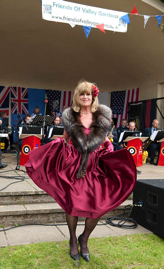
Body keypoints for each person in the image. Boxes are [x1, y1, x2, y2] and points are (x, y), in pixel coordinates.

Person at [25, 81, 136, 263]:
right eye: (82, 94)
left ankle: (84, 238)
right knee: (72, 205)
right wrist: (54, 150)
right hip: (74, 165)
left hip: (94, 165)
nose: (85, 97)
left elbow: (105, 138)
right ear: (78, 96)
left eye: (88, 94)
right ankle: (72, 240)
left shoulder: (100, 116)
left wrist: (109, 147)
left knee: (98, 207)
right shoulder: (70, 116)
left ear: (93, 96)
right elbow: (65, 139)